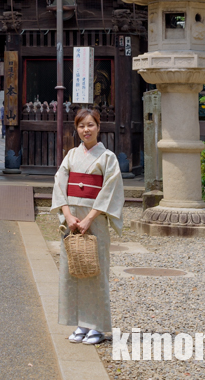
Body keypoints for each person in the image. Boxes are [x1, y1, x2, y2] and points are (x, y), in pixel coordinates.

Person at [50, 108, 124, 345]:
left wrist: (90, 218)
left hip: (95, 220)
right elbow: (59, 184)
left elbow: (110, 190)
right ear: (77, 128)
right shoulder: (71, 155)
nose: (86, 130)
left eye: (90, 125)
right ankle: (81, 323)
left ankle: (98, 326)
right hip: (72, 221)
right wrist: (68, 216)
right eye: (82, 126)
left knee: (95, 271)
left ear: (98, 127)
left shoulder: (107, 158)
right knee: (74, 271)